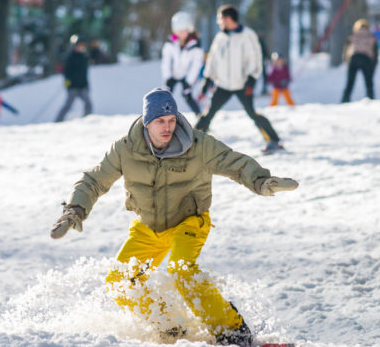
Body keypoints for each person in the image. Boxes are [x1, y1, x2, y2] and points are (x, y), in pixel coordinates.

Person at [50, 88, 298, 345]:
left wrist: (260, 181)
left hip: (189, 221)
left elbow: (233, 162)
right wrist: (75, 210)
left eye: (171, 120)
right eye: (160, 121)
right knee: (118, 281)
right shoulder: (125, 149)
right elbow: (94, 180)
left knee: (181, 269)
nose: (167, 127)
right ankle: (170, 328)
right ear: (147, 123)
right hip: (148, 226)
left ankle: (233, 332)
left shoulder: (199, 144)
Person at [195, 5, 284, 153]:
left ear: (228, 19)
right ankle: (192, 141)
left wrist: (251, 80)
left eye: (220, 19)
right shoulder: (220, 37)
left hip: (243, 84)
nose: (219, 22)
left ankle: (273, 140)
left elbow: (255, 58)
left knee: (252, 113)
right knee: (209, 113)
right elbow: (212, 60)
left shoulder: (248, 35)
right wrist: (207, 81)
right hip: (223, 84)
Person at [161, 11, 203, 115]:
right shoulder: (170, 44)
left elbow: (196, 65)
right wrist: (167, 77)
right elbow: (166, 61)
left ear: (189, 29)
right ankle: (162, 116)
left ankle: (200, 117)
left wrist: (189, 81)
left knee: (187, 95)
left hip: (187, 76)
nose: (180, 33)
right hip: (173, 75)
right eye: (177, 30)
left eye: (183, 30)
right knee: (166, 96)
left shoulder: (195, 45)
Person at [55, 35, 93, 122]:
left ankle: (87, 119)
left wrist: (86, 85)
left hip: (82, 86)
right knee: (68, 105)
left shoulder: (84, 58)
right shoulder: (70, 57)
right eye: (78, 45)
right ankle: (57, 121)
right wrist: (67, 82)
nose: (80, 47)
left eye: (82, 45)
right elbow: (66, 72)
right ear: (74, 46)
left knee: (88, 103)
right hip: (72, 86)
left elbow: (85, 73)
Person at [341, 19, 378, 103]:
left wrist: (347, 62)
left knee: (350, 82)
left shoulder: (353, 35)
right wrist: (373, 65)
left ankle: (345, 99)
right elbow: (375, 52)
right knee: (369, 82)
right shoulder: (371, 36)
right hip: (366, 59)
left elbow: (346, 50)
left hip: (354, 58)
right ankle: (371, 98)